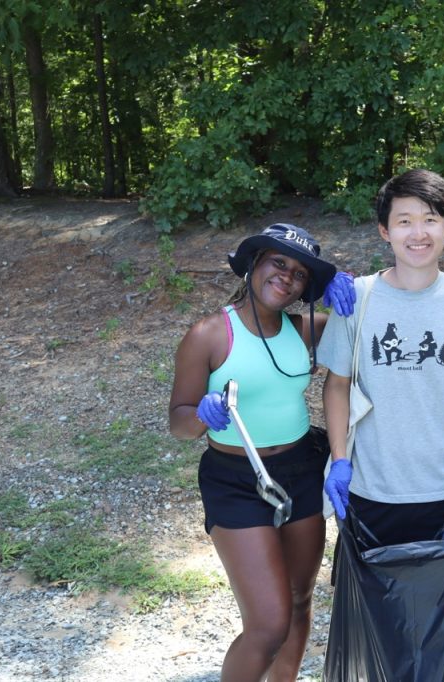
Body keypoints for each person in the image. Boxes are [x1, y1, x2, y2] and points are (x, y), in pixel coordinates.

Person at [168, 224, 355, 682]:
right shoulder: (209, 335)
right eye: (278, 263)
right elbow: (178, 422)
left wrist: (346, 284)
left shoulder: (303, 328)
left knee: (298, 600)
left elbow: (367, 317)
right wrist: (203, 415)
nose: (288, 277)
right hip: (236, 478)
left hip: (302, 467)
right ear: (254, 264)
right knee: (269, 624)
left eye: (300, 273)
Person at [319, 167, 444, 544]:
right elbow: (336, 385)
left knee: (439, 602)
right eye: (404, 221)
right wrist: (339, 460)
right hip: (370, 488)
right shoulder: (355, 299)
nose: (418, 234)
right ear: (385, 230)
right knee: (374, 601)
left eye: (430, 220)